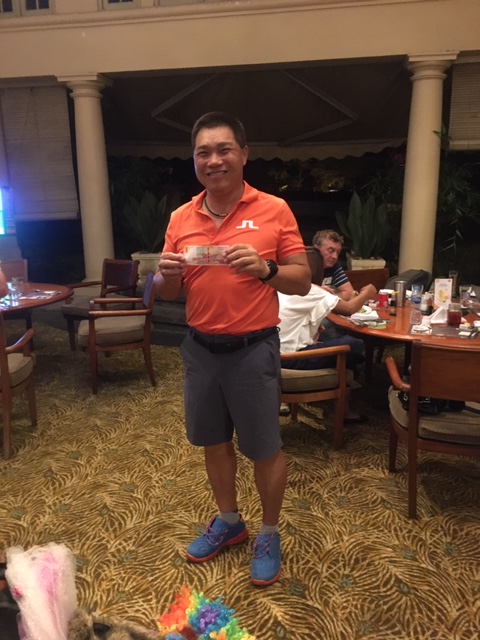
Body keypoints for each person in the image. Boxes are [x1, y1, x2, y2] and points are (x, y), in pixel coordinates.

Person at [154, 112, 310, 586]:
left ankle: (268, 532)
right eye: (203, 152)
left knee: (264, 447)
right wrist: (165, 276)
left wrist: (266, 269)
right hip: (200, 349)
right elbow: (167, 292)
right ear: (194, 160)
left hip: (252, 349)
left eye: (224, 150)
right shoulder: (181, 217)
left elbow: (302, 280)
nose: (214, 160)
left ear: (243, 154)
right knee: (213, 442)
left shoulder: (274, 209)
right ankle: (229, 521)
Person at [278, 280, 377, 420]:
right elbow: (349, 309)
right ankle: (344, 409)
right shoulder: (310, 290)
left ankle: (344, 408)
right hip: (291, 359)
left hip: (274, 355)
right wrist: (368, 292)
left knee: (345, 353)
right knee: (353, 345)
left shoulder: (283, 285)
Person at [312, 229, 354, 300]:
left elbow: (350, 293)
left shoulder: (334, 265)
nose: (335, 257)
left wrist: (328, 298)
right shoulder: (304, 265)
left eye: (338, 252)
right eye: (330, 251)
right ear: (316, 250)